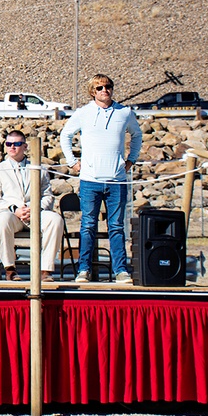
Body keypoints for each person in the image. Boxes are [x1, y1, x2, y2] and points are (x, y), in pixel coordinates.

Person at [61, 74, 142, 285]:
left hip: (117, 180)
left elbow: (137, 135)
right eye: (99, 88)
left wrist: (131, 159)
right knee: (88, 225)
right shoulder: (83, 113)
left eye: (108, 87)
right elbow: (65, 135)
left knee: (116, 226)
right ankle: (83, 269)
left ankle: (120, 270)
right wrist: (72, 162)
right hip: (90, 180)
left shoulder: (124, 113)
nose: (104, 90)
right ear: (92, 91)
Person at [0, 130, 64, 282]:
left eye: (16, 144)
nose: (12, 147)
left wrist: (34, 209)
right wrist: (15, 209)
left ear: (25, 146)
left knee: (55, 219)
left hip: (35, 212)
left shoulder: (39, 169)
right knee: (2, 220)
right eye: (9, 144)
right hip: (12, 214)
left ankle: (46, 270)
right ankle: (10, 269)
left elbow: (47, 196)